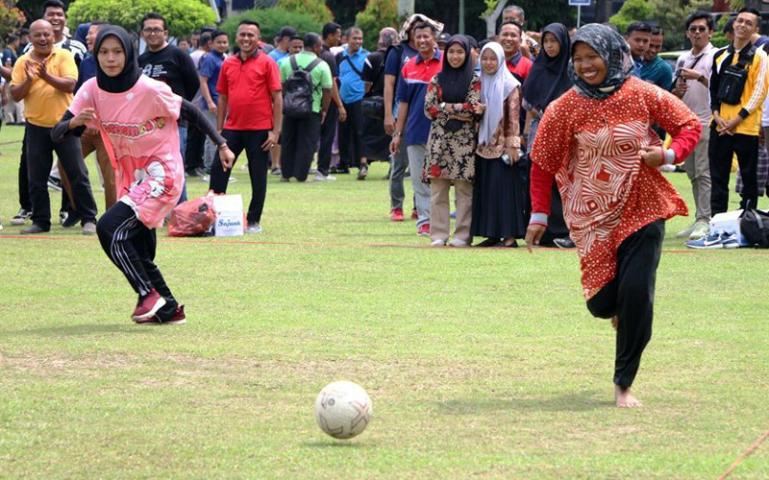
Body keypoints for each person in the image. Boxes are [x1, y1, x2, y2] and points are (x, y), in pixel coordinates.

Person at [525, 24, 701, 407]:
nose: (586, 65)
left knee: (637, 292)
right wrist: (539, 214)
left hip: (643, 204)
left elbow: (689, 124)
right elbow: (542, 163)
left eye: (593, 57)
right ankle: (618, 309)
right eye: (579, 58)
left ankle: (623, 383)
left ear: (611, 54)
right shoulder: (564, 107)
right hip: (592, 215)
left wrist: (668, 154)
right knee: (602, 303)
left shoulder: (641, 92)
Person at [52, 26, 235, 324]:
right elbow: (57, 133)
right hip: (133, 180)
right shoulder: (91, 89)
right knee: (138, 248)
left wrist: (222, 144)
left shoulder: (149, 88)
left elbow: (191, 111)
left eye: (117, 51)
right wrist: (73, 124)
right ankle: (169, 309)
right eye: (104, 52)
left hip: (163, 175)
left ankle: (147, 294)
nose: (111, 58)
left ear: (128, 53)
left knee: (108, 227)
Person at [11, 19, 98, 235]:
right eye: (38, 35)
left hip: (65, 125)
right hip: (35, 126)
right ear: (30, 38)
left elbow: (70, 85)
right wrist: (29, 80)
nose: (43, 38)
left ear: (53, 36)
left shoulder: (64, 56)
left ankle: (89, 218)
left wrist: (45, 75)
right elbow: (16, 94)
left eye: (46, 34)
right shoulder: (22, 61)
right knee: (36, 177)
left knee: (77, 173)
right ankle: (41, 221)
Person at [208, 20, 282, 235]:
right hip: (232, 128)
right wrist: (219, 130)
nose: (246, 39)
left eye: (251, 35)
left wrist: (275, 131)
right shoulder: (228, 63)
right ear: (237, 37)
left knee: (258, 176)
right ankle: (214, 218)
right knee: (219, 169)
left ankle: (253, 220)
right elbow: (222, 98)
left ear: (258, 39)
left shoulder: (268, 63)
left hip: (260, 129)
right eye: (243, 34)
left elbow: (277, 98)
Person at [705, 8, 768, 225]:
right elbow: (712, 88)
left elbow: (760, 91)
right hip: (720, 125)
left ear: (755, 29)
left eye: (748, 23)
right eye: (740, 21)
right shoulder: (720, 54)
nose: (742, 25)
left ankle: (748, 223)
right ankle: (716, 222)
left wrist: (738, 118)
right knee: (718, 177)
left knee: (749, 178)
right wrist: (716, 114)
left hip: (746, 127)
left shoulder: (760, 56)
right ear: (734, 24)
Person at [423, 35, 481, 247]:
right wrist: (457, 109)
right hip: (439, 142)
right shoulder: (436, 79)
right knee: (438, 190)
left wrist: (445, 107)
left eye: (460, 52)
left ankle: (462, 235)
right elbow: (429, 109)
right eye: (451, 52)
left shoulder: (474, 81)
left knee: (464, 191)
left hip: (464, 144)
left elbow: (473, 109)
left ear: (467, 54)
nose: (455, 56)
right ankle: (438, 234)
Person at [521, 23, 574, 249]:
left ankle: (565, 231)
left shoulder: (571, 70)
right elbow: (527, 100)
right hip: (540, 131)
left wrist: (557, 116)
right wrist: (542, 116)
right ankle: (542, 229)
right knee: (540, 179)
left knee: (563, 182)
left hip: (567, 134)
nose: (550, 46)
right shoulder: (539, 67)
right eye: (546, 41)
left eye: (554, 41)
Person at [138, 12, 200, 203]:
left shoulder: (178, 55)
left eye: (157, 29)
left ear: (165, 33)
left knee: (175, 168)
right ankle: (158, 209)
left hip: (175, 122)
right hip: (148, 125)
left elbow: (193, 84)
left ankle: (180, 210)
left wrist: (178, 106)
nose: (152, 33)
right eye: (148, 29)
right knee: (153, 169)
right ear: (142, 33)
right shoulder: (141, 60)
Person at [389, 22, 443, 237]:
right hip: (415, 131)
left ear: (434, 38)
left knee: (441, 179)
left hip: (443, 132)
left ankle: (440, 220)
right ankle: (425, 222)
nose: (422, 41)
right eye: (418, 37)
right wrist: (397, 134)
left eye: (426, 36)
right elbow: (403, 103)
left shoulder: (447, 62)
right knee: (419, 180)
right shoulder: (408, 66)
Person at [471, 42, 523, 248]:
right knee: (487, 191)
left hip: (502, 148)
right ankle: (491, 233)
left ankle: (509, 237)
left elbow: (514, 118)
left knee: (504, 192)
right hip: (482, 147)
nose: (488, 63)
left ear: (501, 60)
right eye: (484, 58)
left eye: (493, 59)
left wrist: (513, 145)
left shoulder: (510, 85)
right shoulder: (478, 83)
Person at [672, 12, 716, 240]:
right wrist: (677, 92)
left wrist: (698, 77)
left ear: (711, 32)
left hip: (706, 121)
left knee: (703, 172)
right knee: (691, 173)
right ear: (687, 33)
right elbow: (675, 93)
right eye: (693, 29)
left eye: (702, 29)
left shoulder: (716, 56)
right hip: (686, 124)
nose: (697, 33)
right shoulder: (683, 59)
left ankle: (705, 220)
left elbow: (720, 88)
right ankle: (699, 217)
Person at [279, 32, 332, 182]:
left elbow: (280, 86)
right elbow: (327, 90)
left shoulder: (287, 62)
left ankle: (286, 173)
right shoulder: (322, 65)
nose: (321, 48)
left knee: (288, 141)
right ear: (315, 46)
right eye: (320, 46)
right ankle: (301, 175)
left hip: (290, 108)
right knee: (307, 142)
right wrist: (324, 109)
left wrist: (286, 102)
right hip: (312, 109)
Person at [361, 27, 398, 168]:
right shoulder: (398, 57)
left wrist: (367, 96)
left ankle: (363, 164)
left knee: (368, 133)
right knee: (390, 134)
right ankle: (392, 164)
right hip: (393, 101)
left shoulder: (371, 57)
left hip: (374, 102)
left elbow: (367, 83)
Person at [335, 27, 369, 179]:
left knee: (360, 132)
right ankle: (344, 163)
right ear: (346, 39)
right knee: (343, 133)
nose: (358, 41)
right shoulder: (339, 57)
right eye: (355, 38)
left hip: (359, 99)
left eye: (360, 38)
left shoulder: (367, 56)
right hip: (343, 100)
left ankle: (363, 163)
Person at [316, 22, 346, 182]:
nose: (339, 39)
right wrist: (340, 105)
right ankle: (323, 170)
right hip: (328, 101)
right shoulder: (328, 56)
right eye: (338, 36)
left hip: (314, 100)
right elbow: (332, 83)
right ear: (330, 36)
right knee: (327, 136)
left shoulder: (316, 54)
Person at [198, 30, 229, 175]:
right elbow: (203, 81)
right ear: (211, 43)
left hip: (222, 102)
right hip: (213, 104)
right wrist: (209, 101)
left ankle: (214, 165)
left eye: (225, 42)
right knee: (213, 136)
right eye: (219, 42)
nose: (222, 45)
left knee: (219, 134)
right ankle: (211, 167)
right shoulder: (209, 58)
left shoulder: (224, 58)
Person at [640, 27, 673, 91]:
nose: (653, 50)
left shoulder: (664, 69)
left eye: (658, 47)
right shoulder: (630, 62)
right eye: (650, 45)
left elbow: (666, 95)